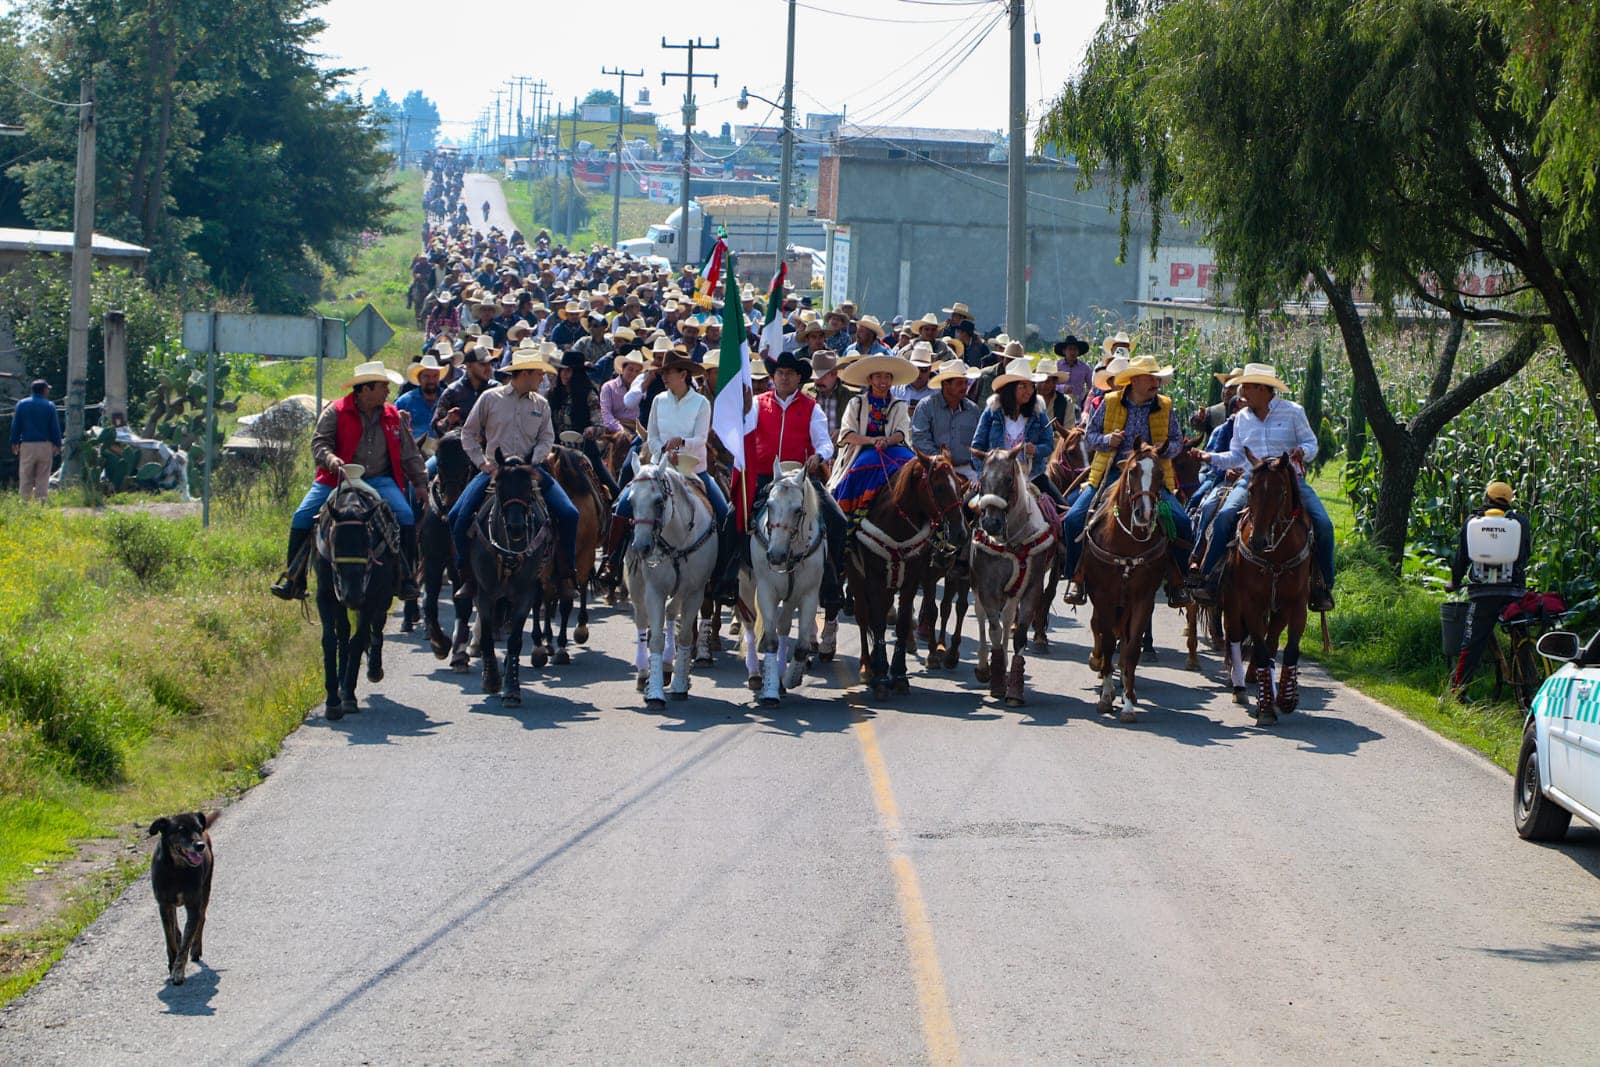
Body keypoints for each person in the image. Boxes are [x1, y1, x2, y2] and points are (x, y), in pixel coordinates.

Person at [271, 361, 427, 602]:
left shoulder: (392, 415)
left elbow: (409, 453)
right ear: (365, 389)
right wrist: (331, 459)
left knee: (405, 516)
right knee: (302, 516)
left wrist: (419, 483)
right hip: (336, 479)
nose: (387, 391)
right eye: (382, 386)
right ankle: (294, 578)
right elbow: (319, 443)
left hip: (379, 479)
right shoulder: (336, 411)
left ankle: (405, 578)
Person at [1192, 362, 1335, 612]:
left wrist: (1303, 451)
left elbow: (1312, 444)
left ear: (1265, 389)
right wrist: (1210, 457)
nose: (1242, 392)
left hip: (1289, 481)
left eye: (1247, 387)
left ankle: (1322, 585)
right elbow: (1237, 455)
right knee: (1225, 516)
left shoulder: (1293, 412)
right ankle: (1210, 577)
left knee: (1323, 524)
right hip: (1253, 481)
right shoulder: (1241, 419)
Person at [450, 342, 580, 599]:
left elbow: (546, 438)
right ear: (525, 373)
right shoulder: (490, 399)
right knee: (457, 516)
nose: (543, 378)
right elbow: (468, 433)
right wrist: (483, 464)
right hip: (495, 472)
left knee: (569, 514)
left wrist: (534, 462)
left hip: (530, 471)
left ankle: (566, 574)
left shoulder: (541, 404)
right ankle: (467, 576)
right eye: (539, 373)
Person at [1061, 354, 1194, 607]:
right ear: (1134, 381)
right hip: (1112, 471)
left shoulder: (1164, 405)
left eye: (1157, 378)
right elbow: (1090, 437)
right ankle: (1076, 576)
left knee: (1181, 521)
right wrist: (1107, 440)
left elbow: (1178, 440)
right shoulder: (1110, 402)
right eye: (1151, 377)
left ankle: (1178, 581)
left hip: (1151, 474)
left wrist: (1164, 449)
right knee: (1074, 519)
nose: (1156, 382)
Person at [599, 350, 734, 594]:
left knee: (724, 513)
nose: (664, 377)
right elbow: (651, 437)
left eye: (668, 372)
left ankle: (722, 574)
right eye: (662, 373)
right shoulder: (659, 401)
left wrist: (681, 442)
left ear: (683, 374)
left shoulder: (701, 403)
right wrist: (662, 451)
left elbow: (701, 438)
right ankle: (612, 561)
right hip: (661, 467)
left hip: (694, 469)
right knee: (622, 504)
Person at [739, 351, 848, 609]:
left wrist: (818, 456)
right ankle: (728, 574)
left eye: (790, 374)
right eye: (780, 373)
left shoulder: (812, 407)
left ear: (800, 378)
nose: (784, 378)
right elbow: (744, 433)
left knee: (837, 521)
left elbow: (824, 442)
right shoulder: (757, 403)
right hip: (766, 476)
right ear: (773, 377)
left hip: (801, 478)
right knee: (732, 515)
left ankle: (831, 580)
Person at [1446, 481, 1532, 695]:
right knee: (1521, 634)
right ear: (1509, 501)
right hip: (1513, 592)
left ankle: (1459, 692)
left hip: (1482, 594)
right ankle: (1528, 685)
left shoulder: (1472, 522)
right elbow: (1524, 555)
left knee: (1473, 642)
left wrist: (1455, 582)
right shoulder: (1520, 522)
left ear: (1487, 498)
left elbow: (1462, 557)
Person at [828, 353, 918, 539]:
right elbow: (847, 434)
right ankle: (849, 518)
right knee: (865, 464)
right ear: (870, 379)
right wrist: (872, 441)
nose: (882, 381)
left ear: (892, 380)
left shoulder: (899, 405)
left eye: (887, 376)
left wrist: (886, 440)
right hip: (863, 449)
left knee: (913, 466)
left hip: (894, 447)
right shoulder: (857, 403)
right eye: (878, 376)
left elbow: (901, 432)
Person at [970, 356, 1064, 507]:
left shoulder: (1038, 412)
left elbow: (1048, 444)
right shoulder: (992, 412)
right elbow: (977, 446)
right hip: (995, 476)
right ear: (1010, 388)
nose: (1029, 391)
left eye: (1031, 386)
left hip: (1032, 475)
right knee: (966, 508)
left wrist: (1036, 450)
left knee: (1061, 509)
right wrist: (983, 475)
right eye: (1023, 386)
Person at [547, 349, 620, 498]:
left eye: (569, 371)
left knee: (613, 490)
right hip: (555, 449)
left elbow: (600, 425)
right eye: (563, 370)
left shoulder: (589, 395)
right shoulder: (552, 394)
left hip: (584, 450)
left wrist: (591, 430)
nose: (564, 375)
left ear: (578, 373)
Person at [910, 358, 982, 480]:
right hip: (934, 467)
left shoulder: (973, 410)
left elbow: (980, 442)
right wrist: (942, 460)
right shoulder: (926, 407)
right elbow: (920, 440)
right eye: (959, 383)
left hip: (967, 469)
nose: (964, 387)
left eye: (965, 383)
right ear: (945, 384)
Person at [10, 378, 61, 502]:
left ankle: (24, 502)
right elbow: (54, 426)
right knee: (42, 476)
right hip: (45, 445)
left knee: (26, 474)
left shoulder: (22, 404)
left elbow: (16, 425)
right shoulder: (49, 405)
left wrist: (14, 442)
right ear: (44, 390)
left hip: (27, 445)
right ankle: (41, 502)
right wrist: (57, 444)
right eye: (47, 389)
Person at [803, 351, 855, 445]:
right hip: (811, 450)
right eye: (815, 376)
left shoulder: (849, 396)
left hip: (839, 451)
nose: (818, 380)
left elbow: (857, 426)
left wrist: (842, 432)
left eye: (822, 376)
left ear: (834, 374)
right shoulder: (805, 393)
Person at [395, 353, 446, 448]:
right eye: (427, 376)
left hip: (442, 452)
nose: (431, 380)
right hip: (413, 452)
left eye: (435, 376)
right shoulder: (405, 402)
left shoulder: (448, 398)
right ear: (419, 378)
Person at [1053, 336, 1093, 411]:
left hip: (1078, 406)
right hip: (1058, 404)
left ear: (1078, 352)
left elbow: (1092, 387)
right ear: (1064, 351)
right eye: (1070, 349)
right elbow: (1049, 385)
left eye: (1075, 349)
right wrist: (1062, 388)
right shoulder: (1056, 366)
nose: (1073, 352)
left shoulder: (1085, 368)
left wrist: (1086, 402)